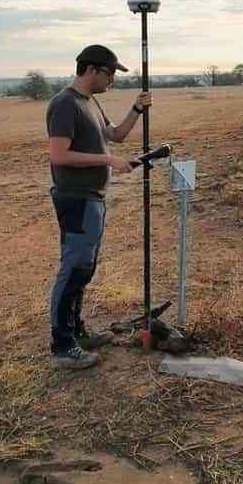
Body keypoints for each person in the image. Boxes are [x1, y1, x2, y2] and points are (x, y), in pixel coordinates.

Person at [45, 44, 151, 370]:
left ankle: (77, 333)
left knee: (84, 270)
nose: (112, 81)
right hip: (76, 199)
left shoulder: (90, 103)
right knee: (73, 269)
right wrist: (107, 160)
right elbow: (59, 155)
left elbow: (115, 135)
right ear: (91, 70)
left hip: (93, 199)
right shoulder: (64, 104)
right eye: (110, 74)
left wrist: (136, 109)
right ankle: (63, 346)